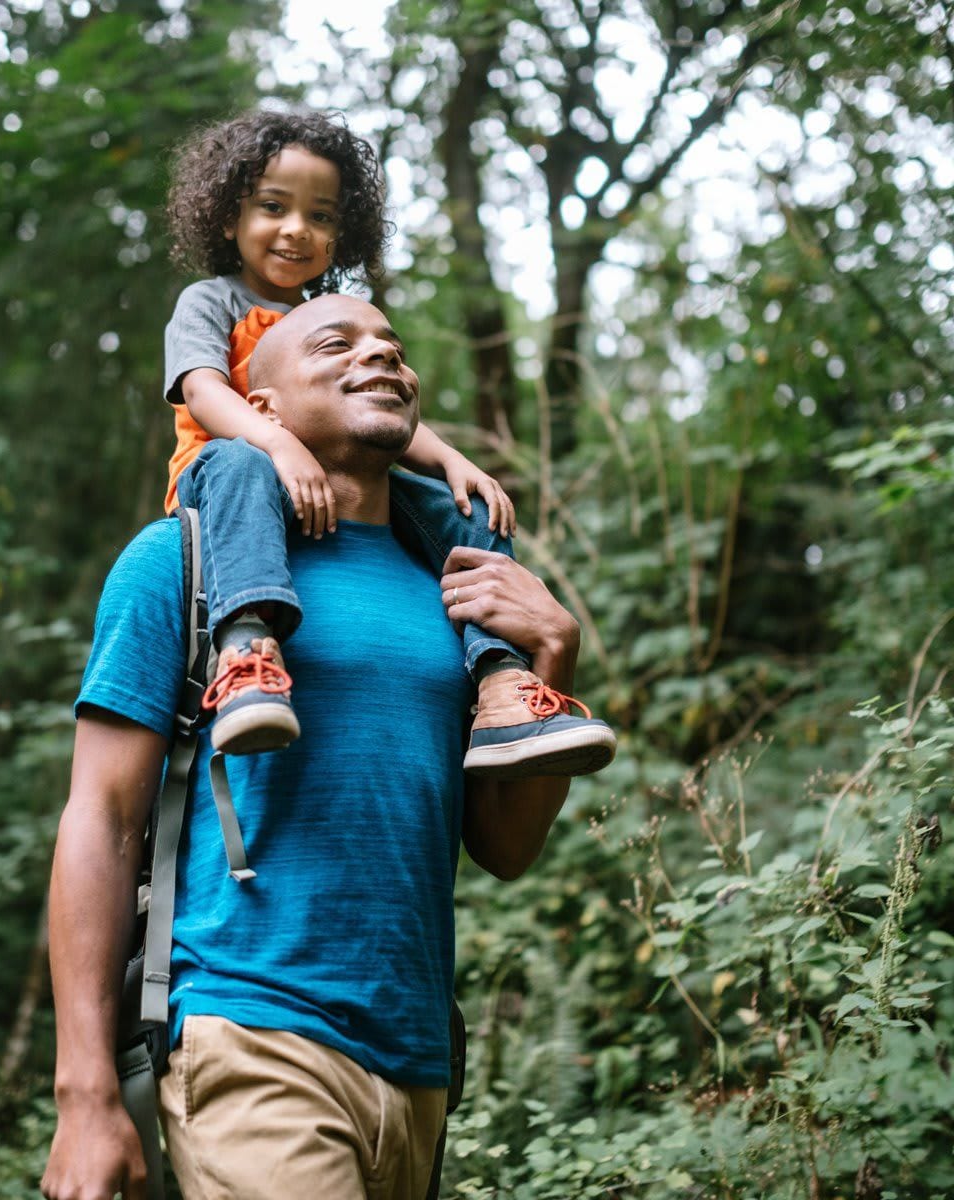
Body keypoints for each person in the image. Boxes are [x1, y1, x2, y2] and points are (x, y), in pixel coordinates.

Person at [40, 294, 613, 1200]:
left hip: (420, 1065)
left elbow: (505, 848)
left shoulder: (458, 586)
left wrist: (553, 654)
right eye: (337, 342)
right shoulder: (179, 561)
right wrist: (84, 1093)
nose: (383, 355)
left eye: (393, 345)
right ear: (259, 409)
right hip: (248, 1030)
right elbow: (100, 818)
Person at [161, 108, 615, 776]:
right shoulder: (211, 302)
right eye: (273, 207)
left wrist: (453, 461)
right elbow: (203, 392)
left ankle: (501, 683)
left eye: (320, 217)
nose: (297, 230)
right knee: (237, 459)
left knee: (466, 511)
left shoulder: (331, 314)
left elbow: (378, 410)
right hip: (231, 486)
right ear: (228, 218)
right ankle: (248, 651)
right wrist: (277, 444)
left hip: (333, 487)